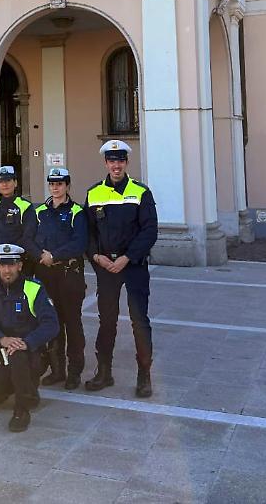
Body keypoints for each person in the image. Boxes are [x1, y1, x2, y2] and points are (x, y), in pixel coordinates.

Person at [85, 139, 159, 398]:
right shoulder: (94, 193)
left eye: (120, 161)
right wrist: (96, 255)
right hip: (106, 266)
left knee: (139, 320)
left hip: (133, 265)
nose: (116, 165)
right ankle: (104, 372)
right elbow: (89, 231)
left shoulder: (141, 192)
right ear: (106, 163)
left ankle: (144, 375)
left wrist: (126, 258)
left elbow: (149, 230)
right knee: (107, 320)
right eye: (111, 161)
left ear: (126, 163)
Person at [0, 244, 59, 432]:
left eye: (12, 265)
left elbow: (51, 324)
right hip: (2, 355)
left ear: (20, 266)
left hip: (30, 355)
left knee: (17, 355)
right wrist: (1, 339)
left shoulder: (34, 289)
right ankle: (24, 391)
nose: (7, 270)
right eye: (3, 265)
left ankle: (21, 409)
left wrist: (27, 343)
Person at [32, 167, 88, 391]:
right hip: (46, 276)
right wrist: (40, 255)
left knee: (72, 324)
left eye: (60, 183)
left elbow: (79, 242)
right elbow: (31, 238)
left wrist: (54, 255)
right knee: (52, 322)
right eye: (52, 184)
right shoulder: (40, 212)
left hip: (69, 275)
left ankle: (74, 372)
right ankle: (57, 370)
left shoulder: (77, 212)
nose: (55, 187)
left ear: (67, 186)